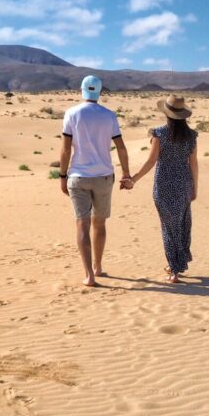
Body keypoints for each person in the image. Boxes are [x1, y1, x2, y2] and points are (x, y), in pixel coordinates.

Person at [59, 75, 132, 287]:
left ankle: (89, 274)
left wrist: (62, 176)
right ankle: (98, 266)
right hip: (103, 177)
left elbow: (65, 149)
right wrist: (126, 173)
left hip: (78, 176)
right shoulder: (109, 116)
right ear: (100, 92)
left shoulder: (71, 113)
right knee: (99, 224)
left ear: (82, 90)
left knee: (82, 225)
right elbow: (120, 147)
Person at [131, 95, 199, 283]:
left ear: (167, 114)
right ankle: (177, 262)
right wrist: (195, 187)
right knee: (182, 224)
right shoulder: (191, 136)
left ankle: (175, 270)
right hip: (184, 184)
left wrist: (134, 179)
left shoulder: (159, 134)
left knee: (169, 228)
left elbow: (151, 161)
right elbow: (194, 164)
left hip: (163, 186)